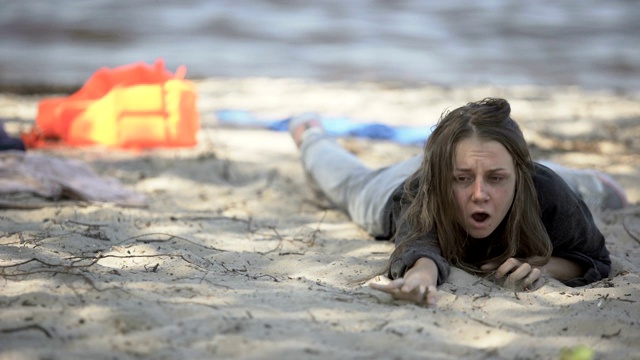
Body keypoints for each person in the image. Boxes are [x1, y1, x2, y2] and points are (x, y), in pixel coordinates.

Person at [289, 97, 627, 306]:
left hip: (517, 170)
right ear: (443, 178)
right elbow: (419, 242)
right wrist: (420, 279)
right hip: (392, 188)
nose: (479, 194)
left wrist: (544, 266)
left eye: (496, 179)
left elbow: (594, 257)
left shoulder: (543, 187)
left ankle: (583, 180)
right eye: (462, 180)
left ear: (519, 176)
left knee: (543, 178)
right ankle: (311, 134)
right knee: (349, 186)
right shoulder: (420, 192)